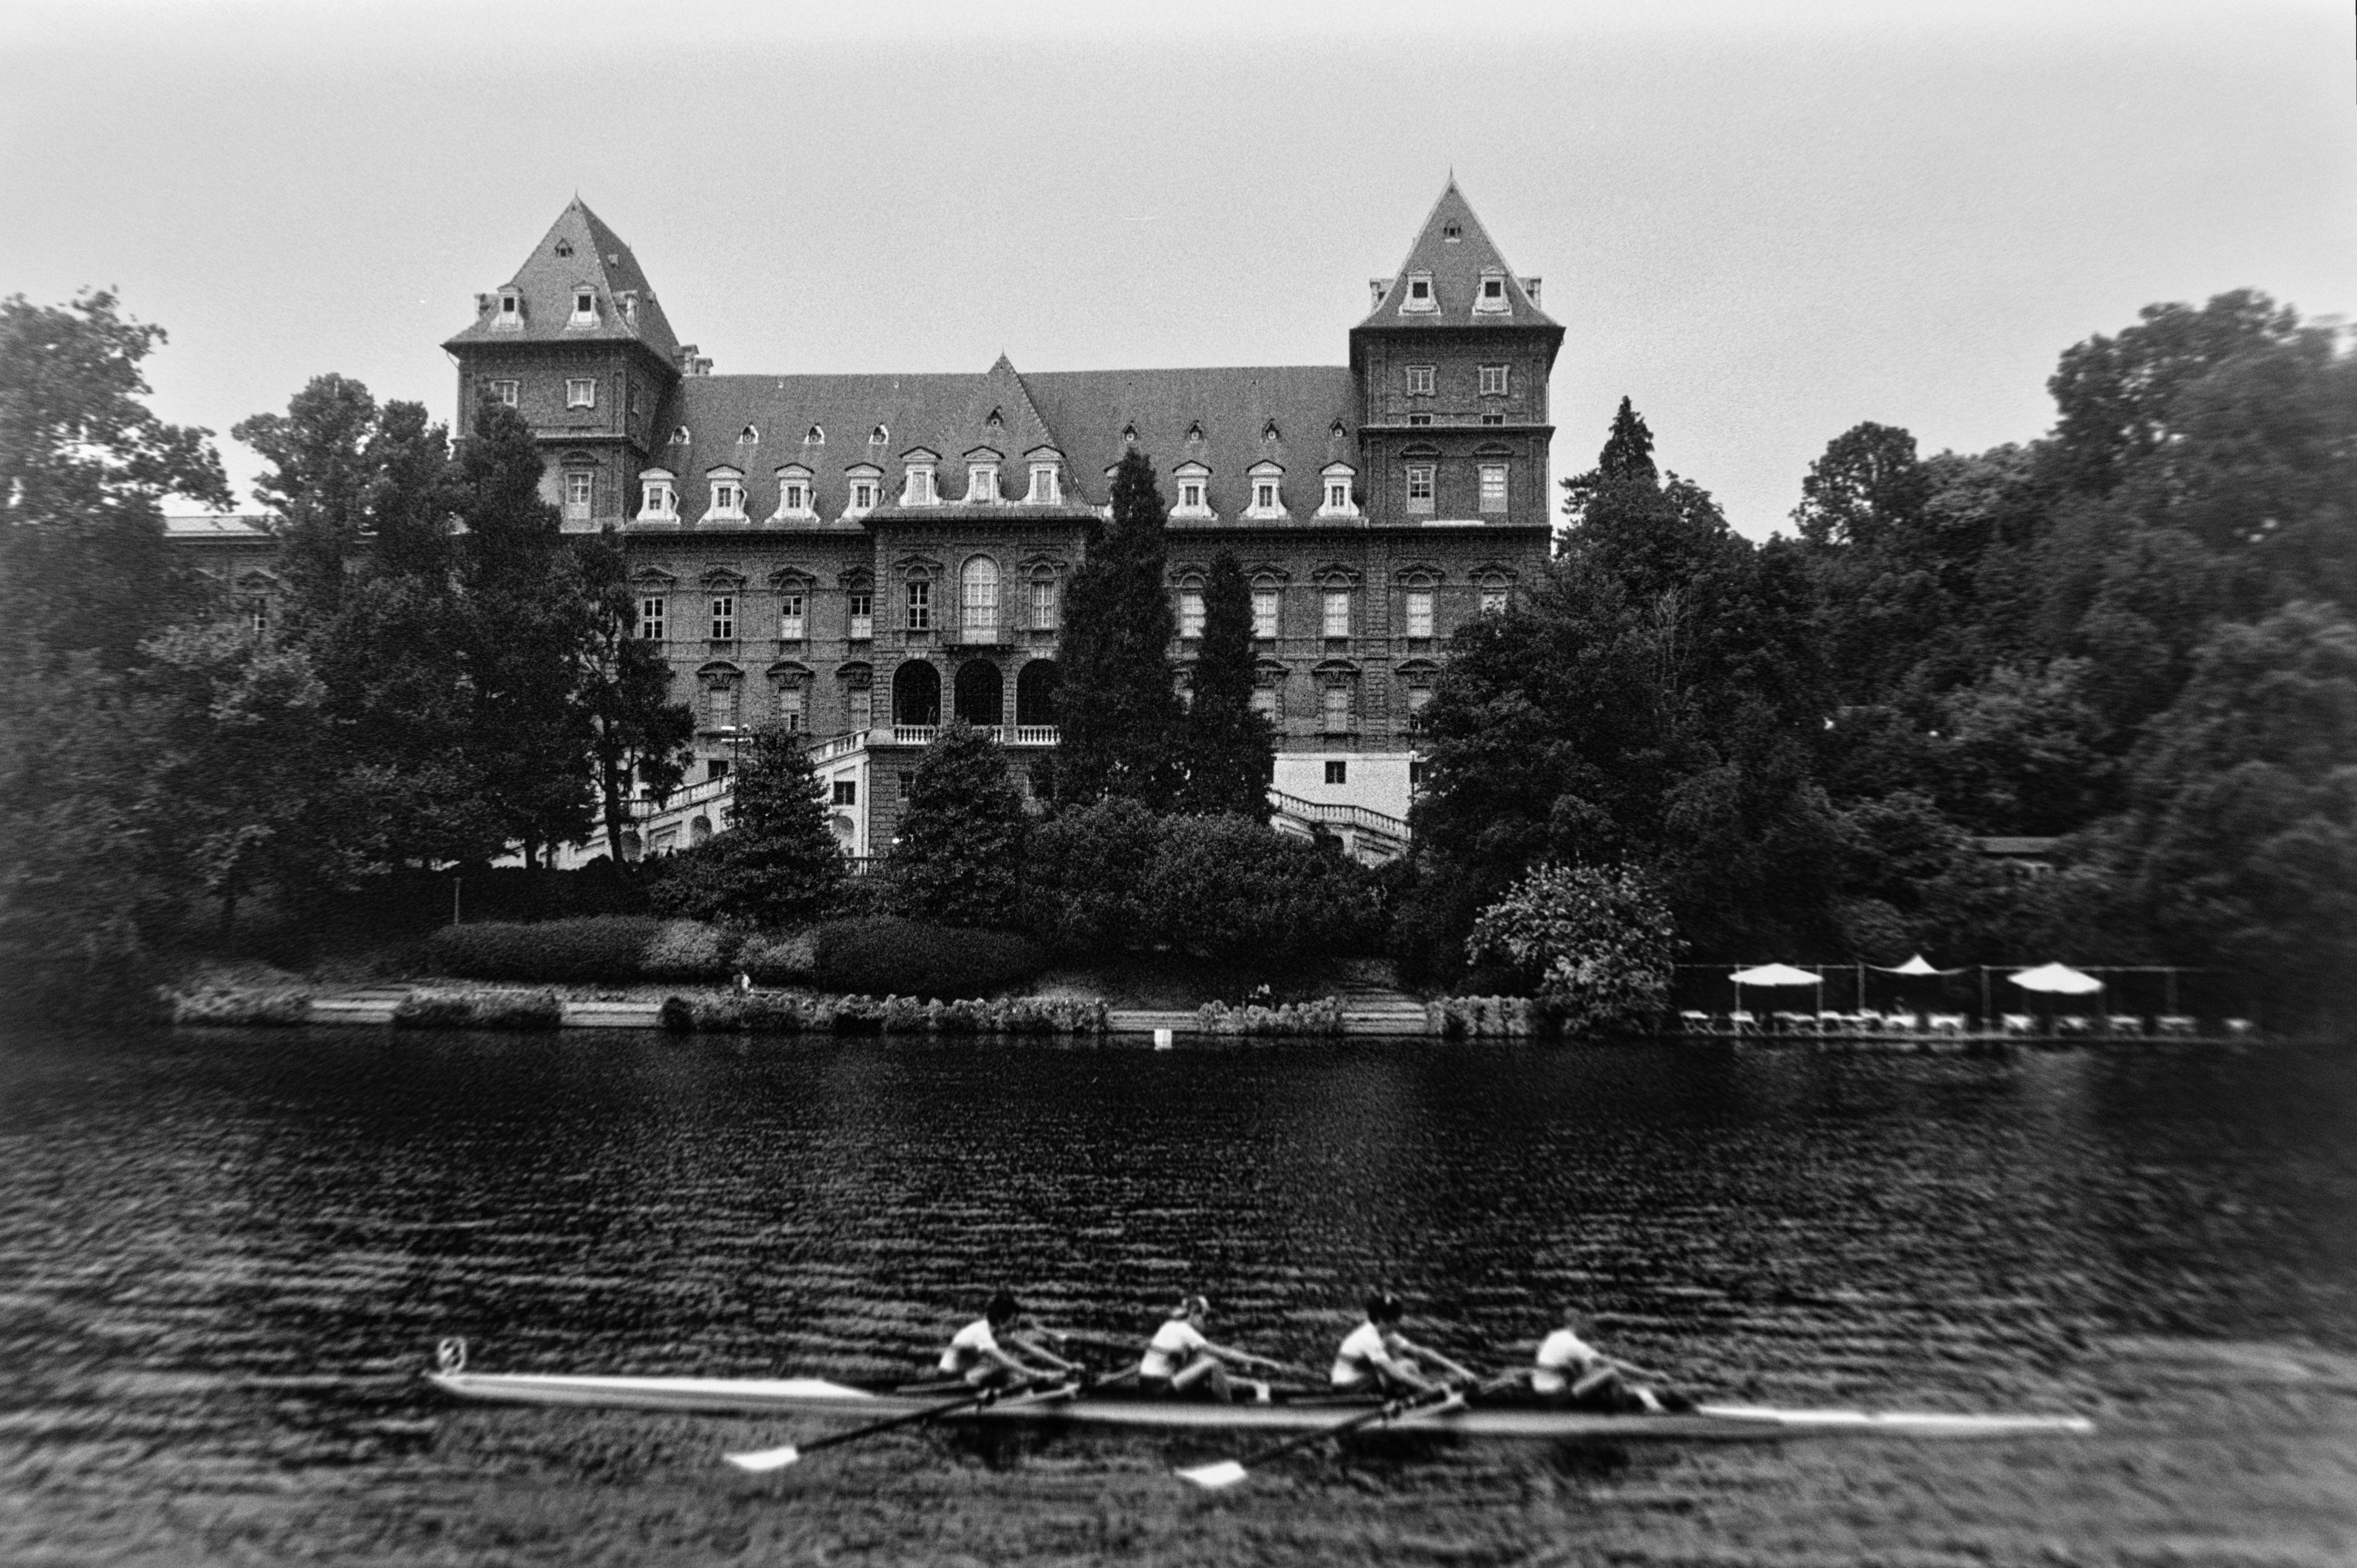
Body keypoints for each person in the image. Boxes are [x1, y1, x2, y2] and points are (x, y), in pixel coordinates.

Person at [1531, 1307, 1686, 1413]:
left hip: (1544, 1393)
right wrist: (1652, 1375)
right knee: (1611, 1372)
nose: (1592, 1329)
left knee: (1598, 1373)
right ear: (1579, 1323)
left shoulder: (1554, 1336)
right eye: (1589, 1324)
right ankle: (1623, 1409)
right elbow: (1612, 1364)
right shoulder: (1574, 1344)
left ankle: (1632, 1402)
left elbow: (1569, 1367)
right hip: (1557, 1397)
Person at [1136, 1295, 1284, 1403]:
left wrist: (1252, 1384)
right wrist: (1260, 1360)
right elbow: (1225, 1354)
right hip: (1159, 1387)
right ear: (1194, 1314)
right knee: (1214, 1364)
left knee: (1205, 1363)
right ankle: (1227, 1408)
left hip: (1148, 1385)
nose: (1207, 1324)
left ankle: (1252, 1388)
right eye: (1205, 1318)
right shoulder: (1185, 1331)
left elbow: (1218, 1377)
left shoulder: (1169, 1325)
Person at [1330, 1291, 1475, 1399]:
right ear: (1379, 1318)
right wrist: (1431, 1389)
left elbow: (1421, 1352)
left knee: (1410, 1365)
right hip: (1347, 1390)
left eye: (1396, 1317)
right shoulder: (1367, 1338)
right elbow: (1395, 1374)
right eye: (1391, 1318)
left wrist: (1461, 1370)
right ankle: (1432, 1394)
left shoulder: (1385, 1332)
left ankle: (1444, 1386)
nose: (1396, 1322)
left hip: (1363, 1383)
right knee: (1403, 1367)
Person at [938, 1291, 1077, 1390]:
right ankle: (1028, 1393)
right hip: (951, 1380)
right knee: (1007, 1365)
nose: (1016, 1325)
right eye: (1014, 1320)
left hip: (970, 1373)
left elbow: (1034, 1350)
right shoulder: (981, 1333)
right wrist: (1041, 1374)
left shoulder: (998, 1331)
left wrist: (1069, 1366)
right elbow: (1006, 1362)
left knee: (1016, 1366)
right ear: (1000, 1321)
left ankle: (1028, 1392)